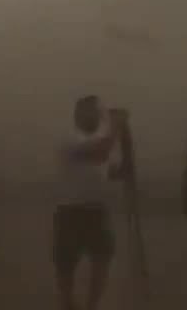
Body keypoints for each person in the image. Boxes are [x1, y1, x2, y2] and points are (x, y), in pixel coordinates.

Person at [55, 96, 130, 310]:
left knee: (102, 260)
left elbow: (106, 168)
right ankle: (68, 303)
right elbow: (99, 152)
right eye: (91, 112)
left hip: (97, 211)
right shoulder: (69, 138)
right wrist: (116, 125)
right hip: (71, 211)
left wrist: (125, 166)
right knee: (66, 264)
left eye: (98, 112)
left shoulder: (98, 140)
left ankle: (91, 306)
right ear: (77, 114)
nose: (97, 116)